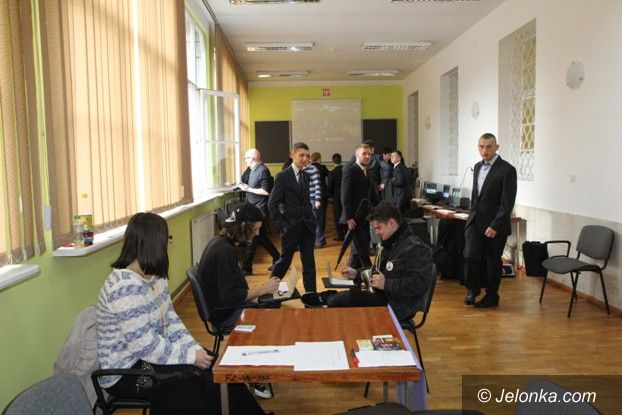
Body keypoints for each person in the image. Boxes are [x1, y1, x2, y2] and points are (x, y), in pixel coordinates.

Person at [96, 212, 267, 414]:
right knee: (193, 383)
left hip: (152, 355)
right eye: (167, 239)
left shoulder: (156, 276)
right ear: (154, 243)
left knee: (218, 367)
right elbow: (144, 345)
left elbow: (171, 320)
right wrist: (190, 356)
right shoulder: (124, 288)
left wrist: (195, 349)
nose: (168, 244)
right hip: (127, 372)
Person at [327, 201, 434, 322]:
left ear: (391, 223)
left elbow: (419, 284)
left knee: (345, 300)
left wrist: (386, 284)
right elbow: (377, 271)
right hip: (384, 296)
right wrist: (357, 273)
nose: (376, 232)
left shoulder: (416, 248)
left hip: (399, 305)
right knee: (341, 298)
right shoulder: (391, 242)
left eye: (378, 228)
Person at [463, 133, 517, 308]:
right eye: (481, 146)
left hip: (495, 225)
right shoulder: (477, 167)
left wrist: (495, 225)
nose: (484, 150)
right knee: (470, 256)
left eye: (488, 146)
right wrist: (470, 217)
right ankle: (473, 290)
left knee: (492, 261)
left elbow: (507, 202)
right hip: (475, 222)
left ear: (496, 147)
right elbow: (476, 196)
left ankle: (492, 296)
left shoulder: (507, 170)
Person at [268, 142, 322, 307]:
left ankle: (311, 296)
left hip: (307, 226)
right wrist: (283, 225)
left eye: (307, 156)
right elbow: (272, 204)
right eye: (301, 155)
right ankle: (269, 292)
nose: (305, 159)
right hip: (290, 227)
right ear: (292, 156)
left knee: (309, 262)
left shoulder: (306, 176)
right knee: (284, 260)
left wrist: (311, 219)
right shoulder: (282, 176)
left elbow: (306, 201)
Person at [239, 149, 280, 276]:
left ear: (253, 158)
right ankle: (278, 258)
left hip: (259, 210)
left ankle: (247, 268)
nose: (245, 160)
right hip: (253, 208)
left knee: (253, 237)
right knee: (262, 237)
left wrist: (248, 189)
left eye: (246, 158)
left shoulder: (263, 170)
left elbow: (267, 191)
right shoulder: (253, 170)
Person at [340, 143, 379, 268]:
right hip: (354, 218)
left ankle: (352, 274)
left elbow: (371, 195)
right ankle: (370, 273)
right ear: (357, 155)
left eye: (369, 154)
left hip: (365, 217)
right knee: (362, 248)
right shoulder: (350, 170)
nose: (367, 156)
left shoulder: (367, 172)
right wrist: (348, 217)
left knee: (359, 248)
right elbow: (345, 194)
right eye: (364, 154)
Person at [310, 152, 329, 248]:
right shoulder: (322, 168)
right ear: (318, 158)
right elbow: (329, 177)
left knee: (314, 219)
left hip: (311, 197)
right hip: (320, 196)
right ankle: (321, 240)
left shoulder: (308, 169)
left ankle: (318, 240)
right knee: (320, 218)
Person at [327, 153, 346, 241]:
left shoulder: (332, 173)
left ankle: (340, 235)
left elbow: (330, 187)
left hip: (336, 197)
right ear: (341, 160)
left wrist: (330, 195)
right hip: (346, 196)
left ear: (333, 161)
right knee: (346, 214)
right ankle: (347, 233)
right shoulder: (346, 170)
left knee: (337, 216)